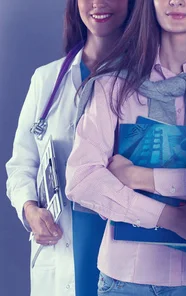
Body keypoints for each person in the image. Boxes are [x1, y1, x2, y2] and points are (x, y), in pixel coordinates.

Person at [64, 0, 186, 295]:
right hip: (125, 280)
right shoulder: (112, 82)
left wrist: (140, 177)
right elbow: (82, 179)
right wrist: (172, 219)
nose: (176, 1)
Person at [5, 0, 132, 295]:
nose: (99, 4)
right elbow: (21, 164)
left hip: (120, 243)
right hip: (61, 246)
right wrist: (29, 209)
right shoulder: (46, 80)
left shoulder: (147, 79)